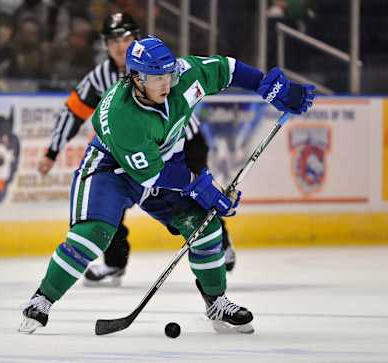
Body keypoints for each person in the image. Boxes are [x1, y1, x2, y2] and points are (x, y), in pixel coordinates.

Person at [19, 36, 315, 334]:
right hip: (111, 170)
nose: (166, 84)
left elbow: (227, 69)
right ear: (136, 77)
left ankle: (216, 302)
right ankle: (42, 299)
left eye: (169, 75)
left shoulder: (182, 78)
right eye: (157, 78)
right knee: (93, 234)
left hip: (163, 163)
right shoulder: (123, 117)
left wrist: (271, 87)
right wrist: (201, 186)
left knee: (205, 227)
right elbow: (149, 176)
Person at [38, 12, 238, 288]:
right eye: (112, 41)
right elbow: (73, 112)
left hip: (184, 145)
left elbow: (204, 75)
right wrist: (52, 151)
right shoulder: (100, 77)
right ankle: (114, 264)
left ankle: (219, 244)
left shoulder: (159, 63)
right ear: (105, 46)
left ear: (136, 41)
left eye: (126, 39)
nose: (119, 46)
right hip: (133, 153)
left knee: (199, 197)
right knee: (109, 205)